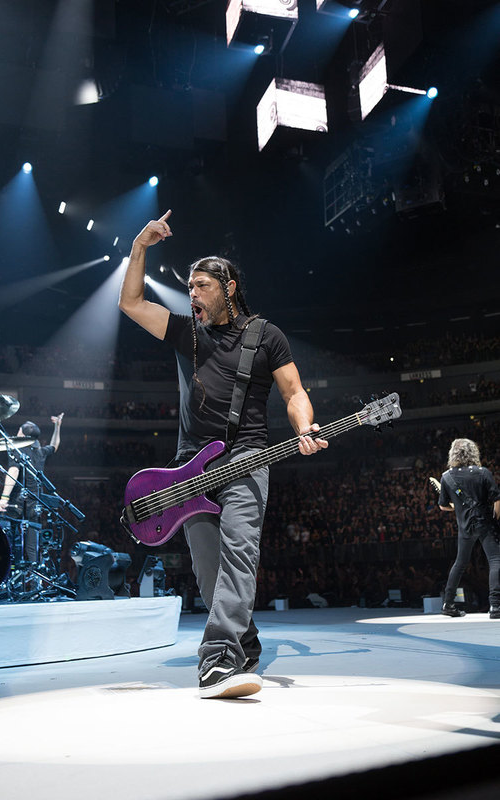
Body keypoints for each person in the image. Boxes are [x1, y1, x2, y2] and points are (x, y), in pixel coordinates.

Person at [119, 210, 327, 699]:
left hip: (246, 459)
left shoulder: (266, 335)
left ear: (228, 288)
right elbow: (131, 302)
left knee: (239, 553)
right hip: (189, 468)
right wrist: (139, 246)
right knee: (209, 568)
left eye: (201, 286)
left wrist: (304, 426)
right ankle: (243, 640)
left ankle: (216, 659)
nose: (191, 294)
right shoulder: (185, 332)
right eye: (188, 287)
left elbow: (294, 391)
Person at [438, 438, 500, 619]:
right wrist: (495, 517)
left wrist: (458, 507)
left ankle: (448, 604)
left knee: (460, 563)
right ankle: (496, 606)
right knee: (495, 560)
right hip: (485, 523)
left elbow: (443, 506)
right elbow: (497, 499)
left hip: (465, 527)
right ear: (473, 452)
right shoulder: (482, 472)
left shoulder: (446, 477)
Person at [0, 415, 64, 562]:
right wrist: (57, 426)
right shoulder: (40, 452)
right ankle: (35, 574)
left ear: (23, 434)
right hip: (35, 503)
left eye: (19, 430)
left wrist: (4, 498)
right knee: (32, 547)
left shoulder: (17, 451)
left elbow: (13, 471)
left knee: (6, 538)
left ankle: (7, 569)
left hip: (17, 502)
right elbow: (54, 446)